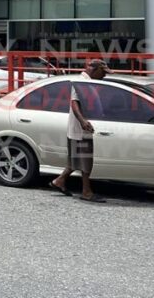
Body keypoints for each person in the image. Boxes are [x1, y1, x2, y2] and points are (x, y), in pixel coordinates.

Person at [50, 59, 111, 203]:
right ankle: (86, 191)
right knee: (86, 161)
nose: (104, 76)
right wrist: (83, 121)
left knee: (77, 159)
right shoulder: (81, 82)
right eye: (103, 72)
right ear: (94, 70)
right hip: (81, 129)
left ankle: (59, 181)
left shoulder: (89, 82)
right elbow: (74, 103)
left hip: (79, 128)